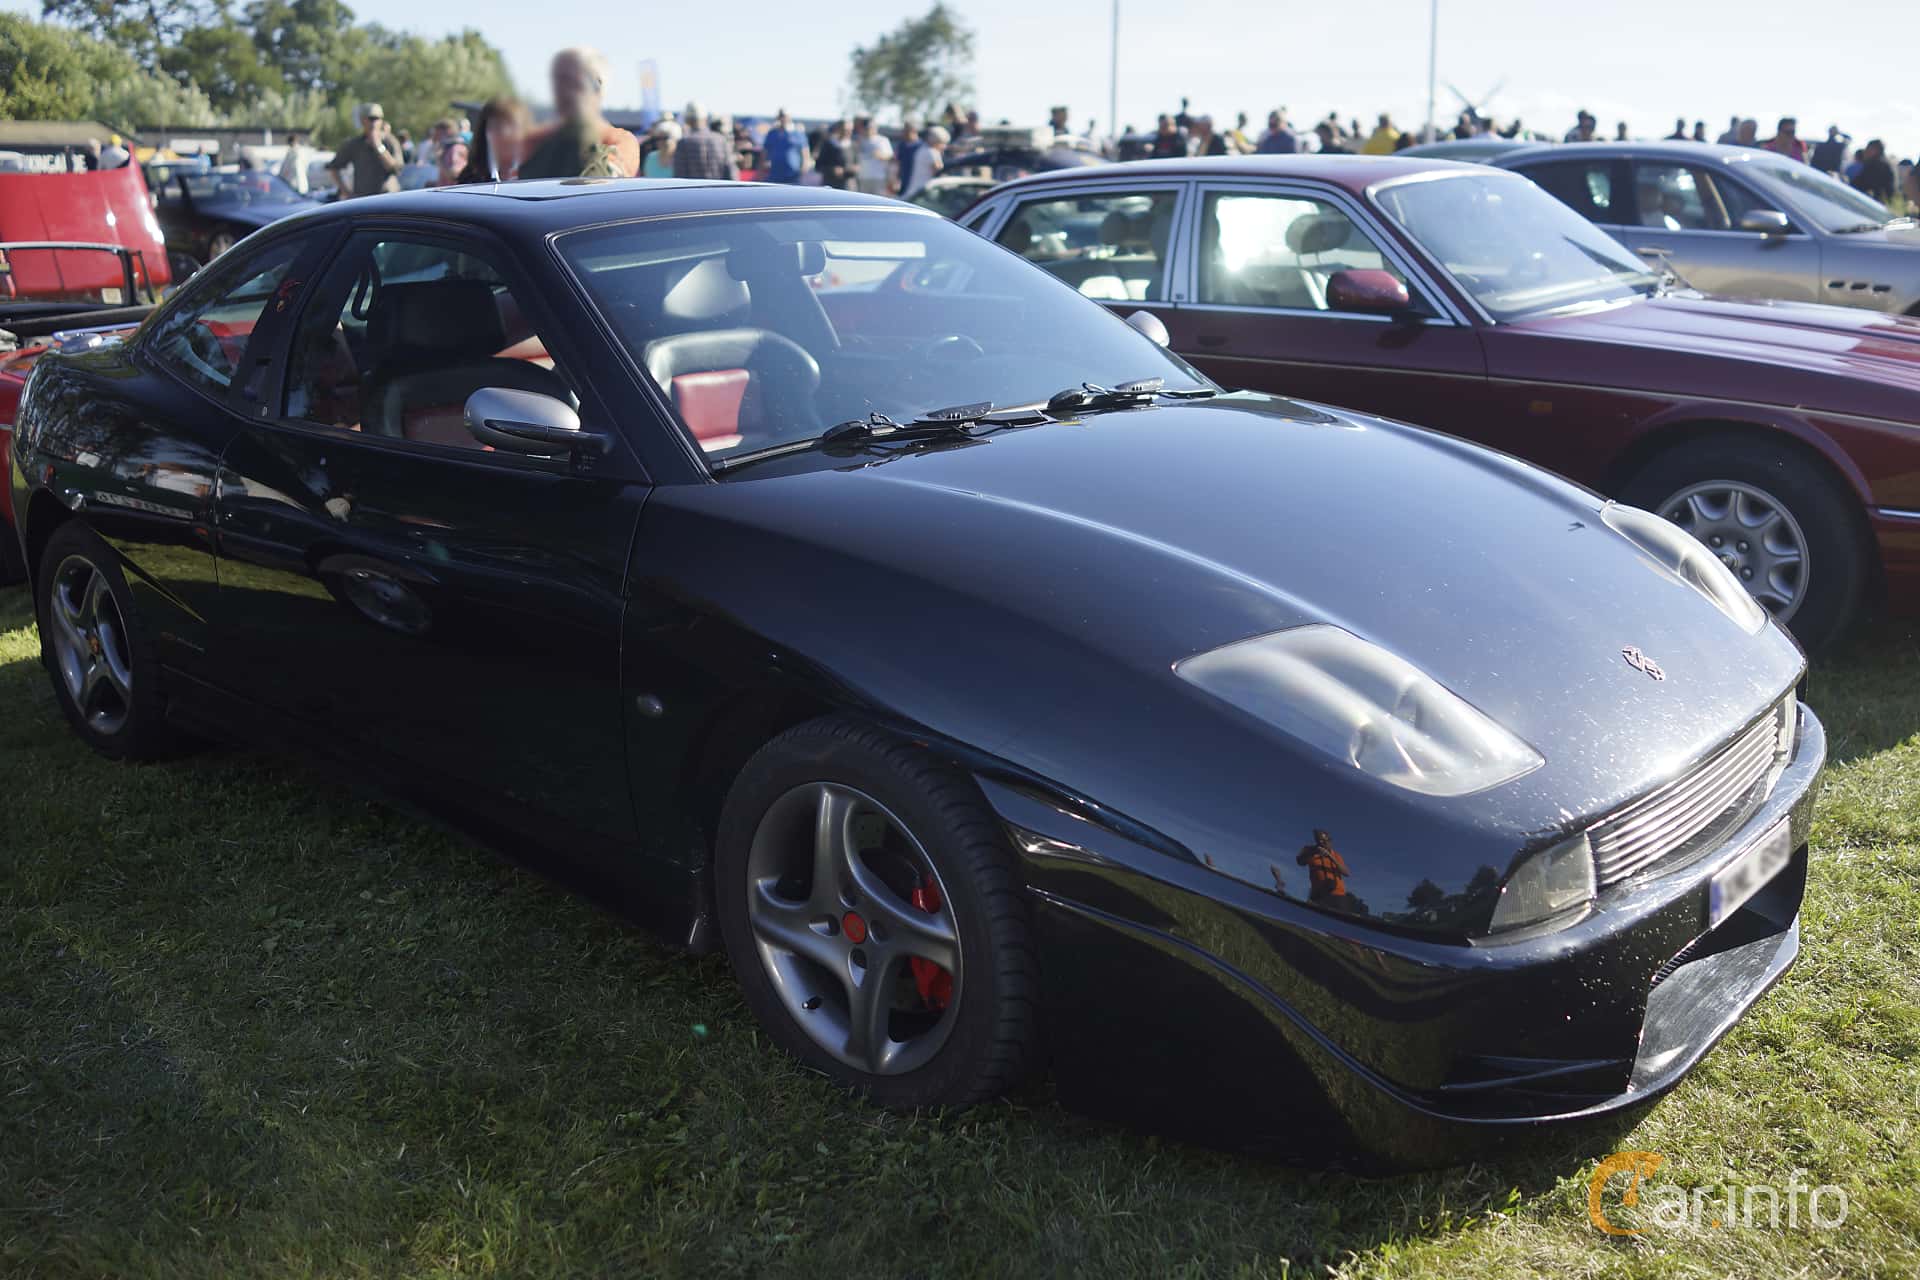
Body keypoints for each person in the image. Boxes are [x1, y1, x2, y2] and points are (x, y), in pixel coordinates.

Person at [518, 47, 638, 180]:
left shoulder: (620, 141)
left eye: (568, 79)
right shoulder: (536, 141)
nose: (560, 90)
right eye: (556, 80)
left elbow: (603, 181)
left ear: (596, 86)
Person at [328, 102, 404, 199]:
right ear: (362, 120)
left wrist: (378, 146)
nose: (373, 123)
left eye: (377, 119)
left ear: (381, 121)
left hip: (389, 199)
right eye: (370, 119)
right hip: (363, 201)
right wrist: (346, 192)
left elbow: (396, 169)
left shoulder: (390, 141)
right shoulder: (355, 144)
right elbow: (333, 168)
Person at [458, 95, 531, 183]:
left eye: (511, 125)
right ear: (485, 132)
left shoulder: (538, 174)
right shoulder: (469, 178)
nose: (505, 133)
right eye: (497, 126)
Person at [670, 106, 737, 180]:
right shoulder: (721, 140)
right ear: (705, 118)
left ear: (687, 120)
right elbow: (731, 172)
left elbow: (680, 176)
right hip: (719, 190)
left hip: (693, 190)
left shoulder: (683, 143)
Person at [761, 108, 810, 183]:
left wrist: (804, 168)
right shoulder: (772, 134)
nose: (783, 118)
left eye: (784, 116)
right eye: (781, 116)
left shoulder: (798, 134)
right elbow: (765, 152)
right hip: (775, 174)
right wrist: (762, 166)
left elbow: (805, 154)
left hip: (793, 175)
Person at [902, 124, 946, 198]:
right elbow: (939, 170)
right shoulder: (932, 152)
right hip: (923, 192)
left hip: (916, 190)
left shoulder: (922, 149)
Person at [852, 117, 893, 194]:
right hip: (862, 177)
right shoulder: (858, 140)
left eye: (872, 127)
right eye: (867, 128)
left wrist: (880, 155)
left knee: (877, 201)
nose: (869, 130)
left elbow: (890, 156)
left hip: (878, 177)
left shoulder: (882, 140)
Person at [1851, 139, 1895, 203]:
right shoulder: (1882, 165)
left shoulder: (1877, 167)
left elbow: (1859, 185)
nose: (1865, 152)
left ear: (1875, 151)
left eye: (1868, 149)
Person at [814, 119, 852, 189]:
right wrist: (832, 170)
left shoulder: (853, 146)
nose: (847, 132)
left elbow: (857, 166)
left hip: (848, 185)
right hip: (831, 185)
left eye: (850, 130)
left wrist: (846, 170)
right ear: (838, 129)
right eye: (845, 130)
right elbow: (818, 166)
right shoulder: (828, 145)